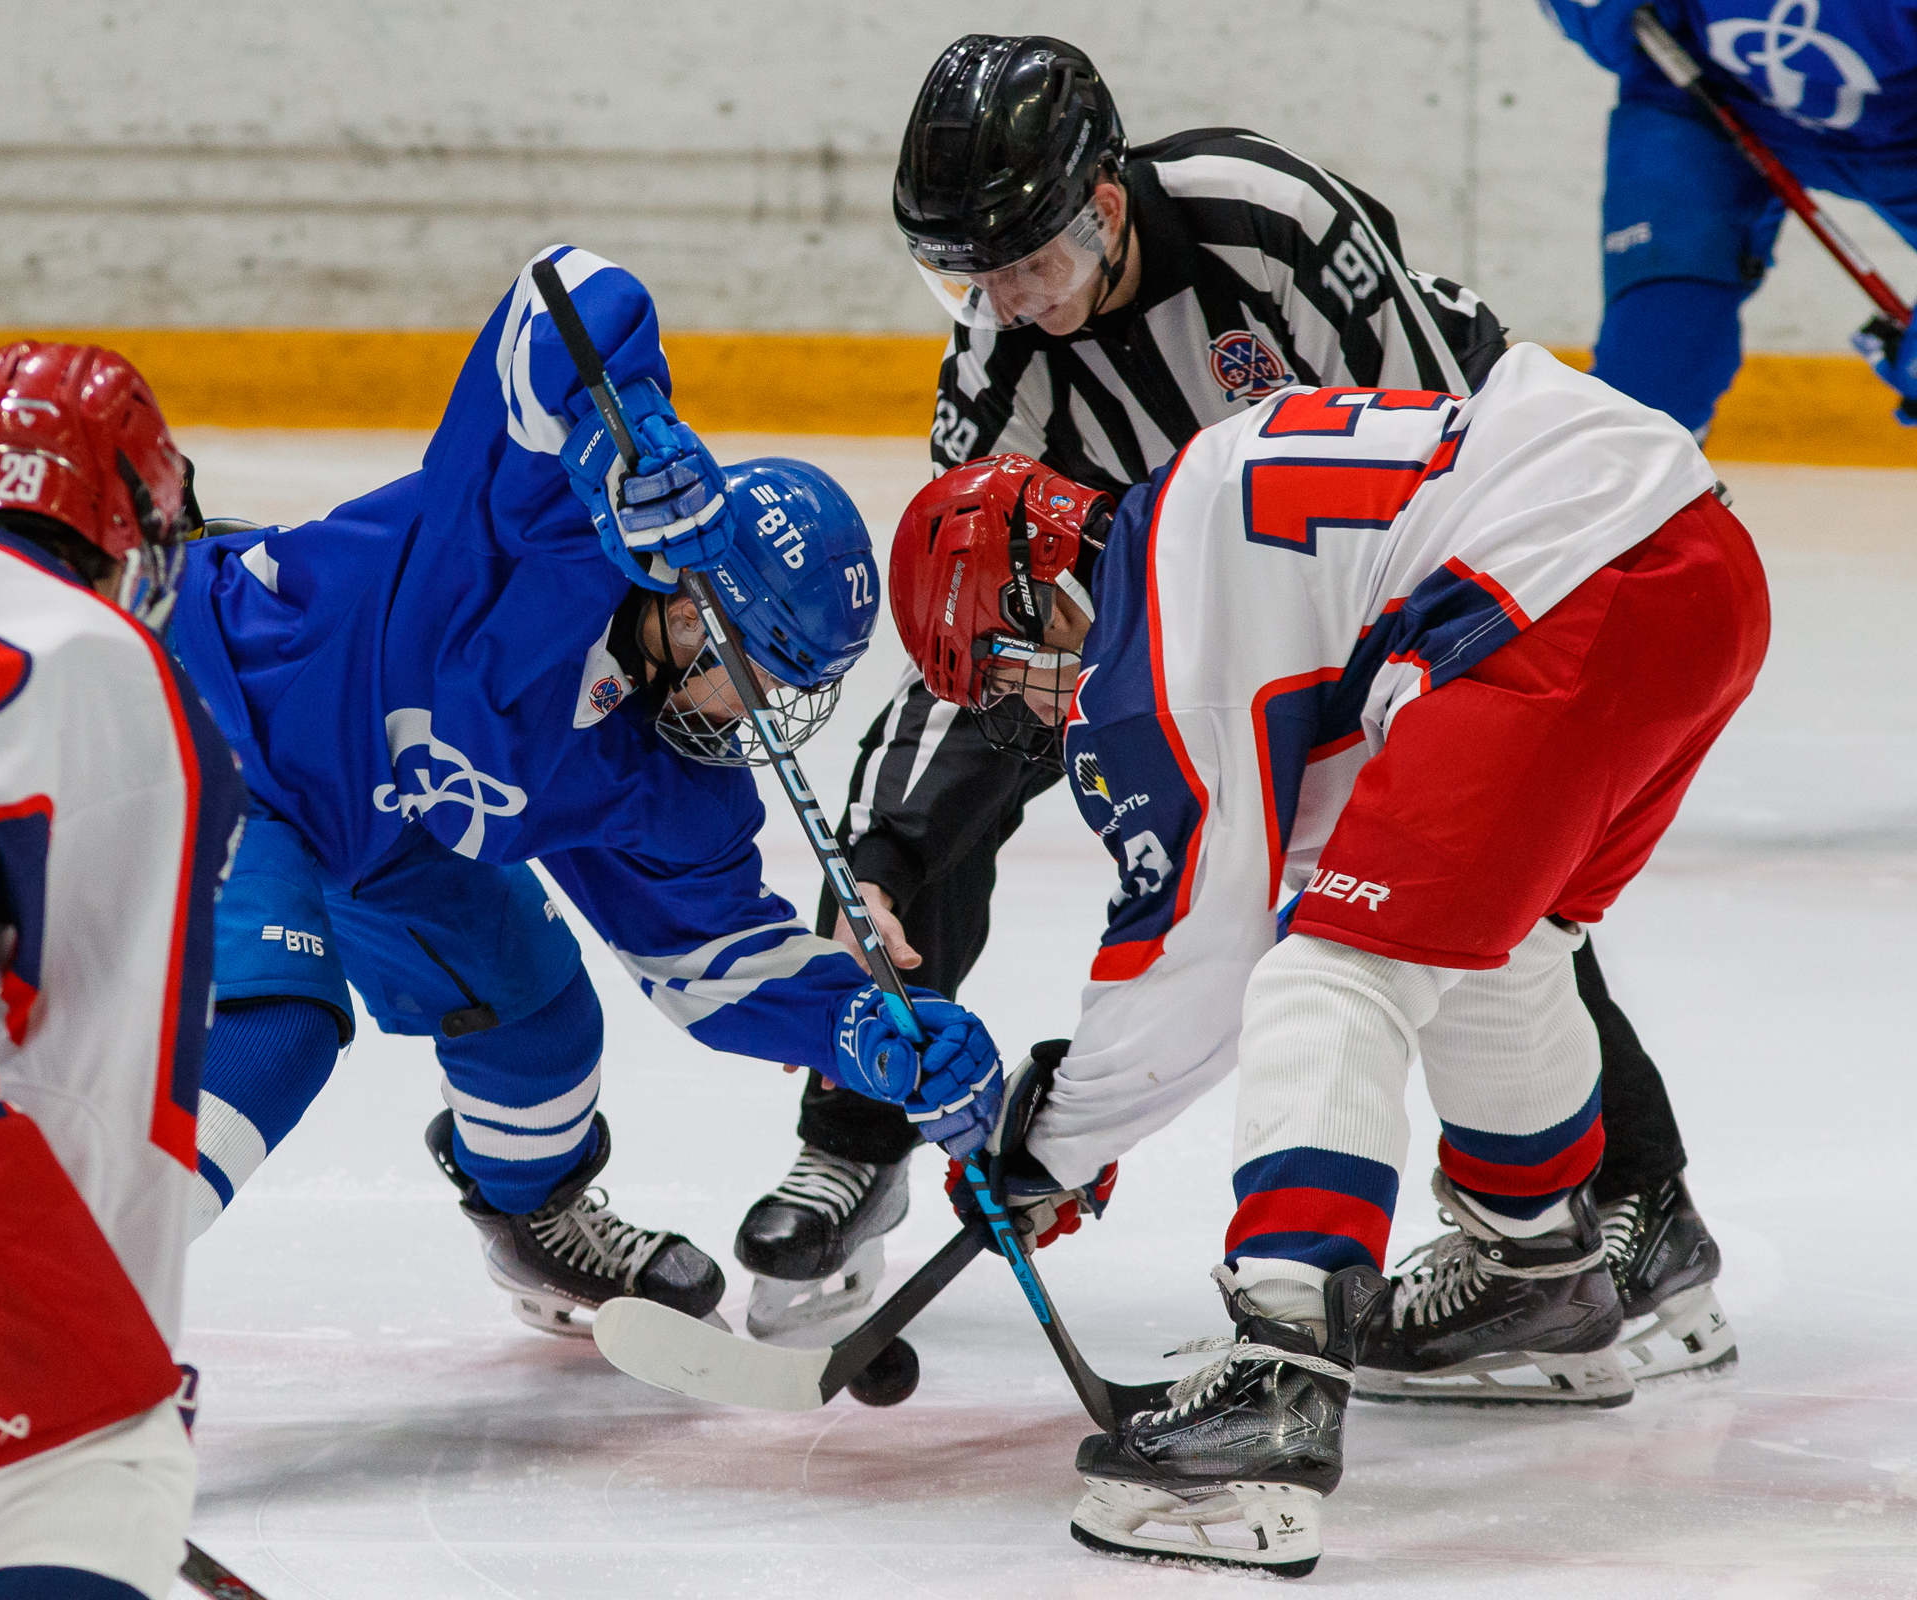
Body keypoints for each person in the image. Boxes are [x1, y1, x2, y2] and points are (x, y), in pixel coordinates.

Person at [740, 30, 1733, 1389]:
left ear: (1104, 202)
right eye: (960, 273)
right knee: (920, 839)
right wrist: (885, 858)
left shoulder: (1261, 220)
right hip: (1218, 585)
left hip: (1430, 574)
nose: (1002, 302)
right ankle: (857, 1134)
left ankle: (1628, 1202)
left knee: (1451, 867)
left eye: (1024, 259)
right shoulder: (1000, 389)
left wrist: (1063, 1133)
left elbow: (1445, 460)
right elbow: (978, 649)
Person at [886, 345, 1768, 1573]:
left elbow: (1196, 948)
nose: (1028, 706)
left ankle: (1276, 1384)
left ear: (1034, 590)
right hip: (1693, 567)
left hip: (1563, 585)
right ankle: (1534, 1277)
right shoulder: (1202, 521)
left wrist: (1044, 1149)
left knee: (1326, 970)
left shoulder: (1159, 623)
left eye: (999, 661)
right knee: (1483, 938)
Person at [169, 244, 1007, 1336]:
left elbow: (713, 964)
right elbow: (560, 292)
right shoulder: (544, 527)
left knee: (532, 1010)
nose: (752, 715)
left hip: (370, 834)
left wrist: (859, 1030)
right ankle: (20, 1309)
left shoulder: (666, 779)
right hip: (214, 712)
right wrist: (631, 439)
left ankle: (533, 1225)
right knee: (276, 1026)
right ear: (686, 608)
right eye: (751, 674)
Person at [0, 343, 245, 1600]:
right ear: (133, 521)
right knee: (101, 1469)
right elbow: (106, 1079)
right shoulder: (116, 675)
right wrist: (119, 1373)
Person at [1541, 0, 1917, 433]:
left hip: (1905, 143)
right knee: (1657, 353)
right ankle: (1620, 490)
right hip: (1710, 100)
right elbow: (1603, 28)